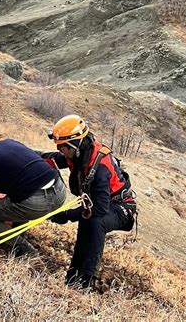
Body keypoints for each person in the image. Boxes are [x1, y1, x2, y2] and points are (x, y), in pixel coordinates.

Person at [44, 115, 137, 290]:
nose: (61, 150)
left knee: (94, 222)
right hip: (102, 205)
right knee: (87, 222)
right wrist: (25, 154)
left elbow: (100, 209)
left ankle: (87, 281)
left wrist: (66, 216)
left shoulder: (100, 167)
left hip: (121, 208)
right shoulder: (80, 155)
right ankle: (72, 279)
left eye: (62, 147)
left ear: (74, 145)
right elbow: (53, 159)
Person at [0, 139, 66, 258]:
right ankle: (19, 236)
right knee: (16, 198)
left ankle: (24, 249)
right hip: (60, 192)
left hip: (35, 202)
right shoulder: (9, 144)